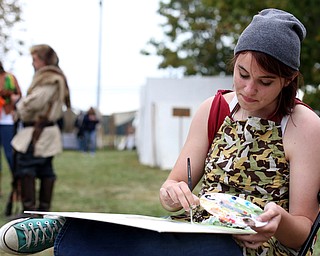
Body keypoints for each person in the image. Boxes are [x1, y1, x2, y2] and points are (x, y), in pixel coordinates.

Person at [0, 8, 319, 256]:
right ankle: (71, 228)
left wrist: (278, 221)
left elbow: (304, 232)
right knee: (152, 234)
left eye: (265, 82)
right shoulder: (215, 108)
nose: (249, 90)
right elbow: (174, 185)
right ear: (234, 62)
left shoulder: (303, 125)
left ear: (289, 79)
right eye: (242, 74)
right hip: (200, 228)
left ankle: (68, 232)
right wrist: (172, 193)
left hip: (255, 247)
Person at [8, 44, 71, 216]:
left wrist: (18, 103)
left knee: (28, 168)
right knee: (44, 170)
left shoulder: (49, 79)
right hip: (42, 133)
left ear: (44, 60)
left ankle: (31, 213)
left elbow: (35, 102)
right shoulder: (53, 77)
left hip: (38, 133)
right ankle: (40, 213)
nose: (33, 63)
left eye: (35, 59)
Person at [0, 61, 21, 196]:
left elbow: (19, 94)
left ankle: (17, 188)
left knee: (10, 155)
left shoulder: (9, 77)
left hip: (7, 121)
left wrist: (13, 99)